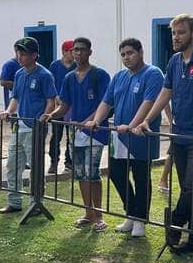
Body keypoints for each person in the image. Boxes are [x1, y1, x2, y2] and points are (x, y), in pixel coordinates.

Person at [136, 14, 193, 254]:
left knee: (190, 188)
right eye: (173, 33)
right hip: (180, 136)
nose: (176, 37)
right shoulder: (174, 61)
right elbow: (165, 93)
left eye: (181, 32)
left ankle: (174, 224)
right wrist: (147, 120)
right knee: (191, 192)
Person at [84, 38, 164, 238]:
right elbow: (106, 102)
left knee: (140, 177)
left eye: (130, 53)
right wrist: (96, 120)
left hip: (140, 135)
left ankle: (140, 221)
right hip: (119, 136)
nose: (126, 58)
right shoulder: (119, 76)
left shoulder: (153, 73)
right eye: (123, 54)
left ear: (141, 52)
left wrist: (133, 125)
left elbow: (149, 102)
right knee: (116, 174)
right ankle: (132, 215)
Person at [49, 37, 111, 231]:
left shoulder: (100, 75)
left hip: (95, 132)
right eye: (75, 50)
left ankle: (99, 215)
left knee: (92, 172)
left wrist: (89, 121)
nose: (78, 53)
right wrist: (50, 115)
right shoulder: (69, 78)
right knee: (80, 173)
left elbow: (106, 104)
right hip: (75, 131)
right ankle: (88, 212)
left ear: (90, 52)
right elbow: (65, 104)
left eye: (82, 50)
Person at [0, 37, 56, 213]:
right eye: (18, 53)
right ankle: (14, 201)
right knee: (13, 165)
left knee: (35, 166)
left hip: (34, 127)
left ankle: (36, 202)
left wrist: (44, 118)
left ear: (34, 55)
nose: (20, 57)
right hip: (19, 126)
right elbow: (15, 97)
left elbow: (51, 100)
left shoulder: (44, 75)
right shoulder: (19, 74)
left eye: (24, 54)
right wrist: (9, 111)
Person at [48, 40, 76, 173]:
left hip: (72, 106)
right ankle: (54, 162)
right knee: (56, 135)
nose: (75, 53)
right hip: (58, 106)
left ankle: (69, 162)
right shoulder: (55, 66)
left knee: (71, 135)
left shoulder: (77, 66)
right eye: (72, 51)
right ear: (64, 51)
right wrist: (56, 97)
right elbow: (51, 83)